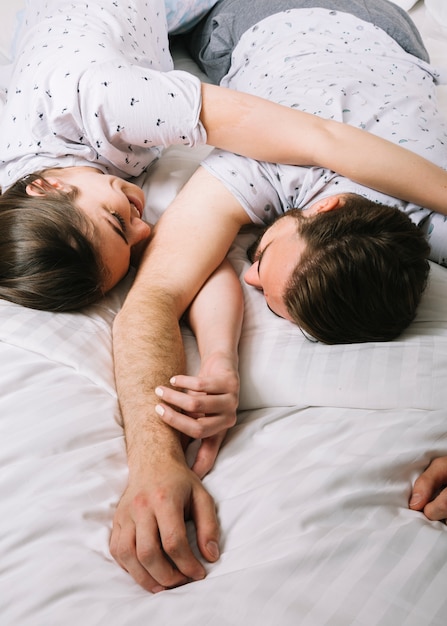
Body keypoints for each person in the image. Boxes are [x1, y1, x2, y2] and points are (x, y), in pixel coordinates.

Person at [1, 0, 446, 592]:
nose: (247, 275)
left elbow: (167, 284)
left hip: (335, 29)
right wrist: (158, 457)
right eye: (260, 257)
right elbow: (157, 293)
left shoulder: (119, 109)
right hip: (290, 25)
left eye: (252, 257)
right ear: (325, 208)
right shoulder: (261, 164)